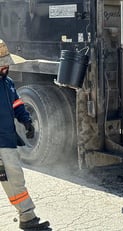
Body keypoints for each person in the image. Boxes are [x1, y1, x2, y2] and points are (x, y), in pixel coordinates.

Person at [0, 39, 50, 230]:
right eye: (2, 63)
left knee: (14, 179)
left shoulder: (8, 83)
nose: (6, 66)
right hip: (2, 143)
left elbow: (17, 105)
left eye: (6, 62)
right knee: (13, 179)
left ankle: (27, 216)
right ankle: (27, 218)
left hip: (7, 140)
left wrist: (26, 120)